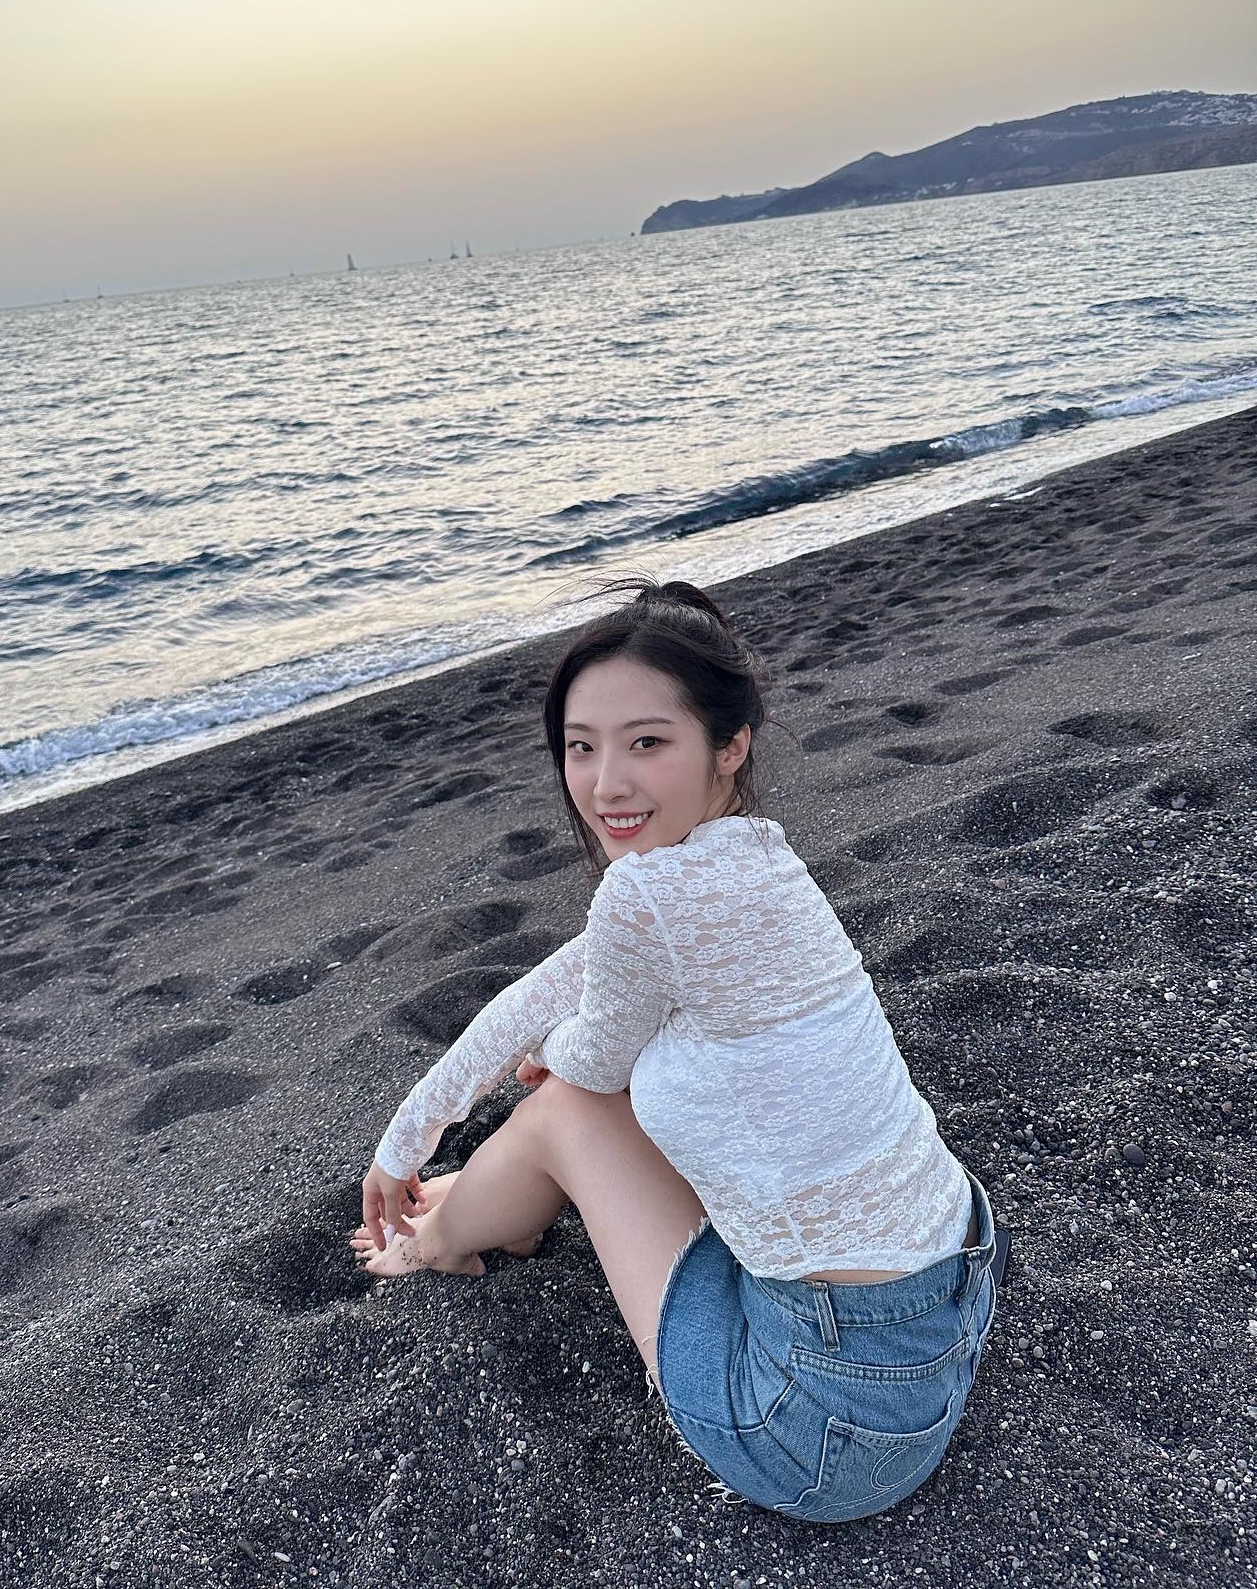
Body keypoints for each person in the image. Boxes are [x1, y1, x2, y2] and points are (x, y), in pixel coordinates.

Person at [350, 574, 1005, 1520]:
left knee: (569, 1107)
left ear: (729, 746)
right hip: (954, 1276)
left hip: (828, 1425)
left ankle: (443, 1240)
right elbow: (548, 994)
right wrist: (408, 1135)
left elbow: (580, 1063)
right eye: (582, 747)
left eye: (646, 743)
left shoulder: (648, 894)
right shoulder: (756, 854)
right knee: (615, 1075)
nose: (605, 784)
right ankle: (495, 1207)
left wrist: (516, 1082)